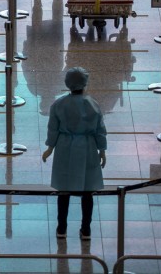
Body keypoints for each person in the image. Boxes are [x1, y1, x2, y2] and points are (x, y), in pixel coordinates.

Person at [41, 67, 107, 241]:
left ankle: (61, 227)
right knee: (88, 191)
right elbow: (100, 129)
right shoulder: (93, 104)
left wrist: (50, 148)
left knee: (64, 190)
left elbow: (53, 129)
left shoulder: (59, 104)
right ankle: (86, 229)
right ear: (85, 83)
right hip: (88, 147)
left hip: (65, 147)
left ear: (67, 83)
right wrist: (102, 149)